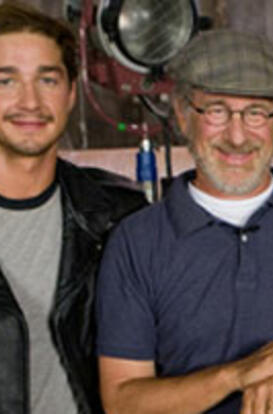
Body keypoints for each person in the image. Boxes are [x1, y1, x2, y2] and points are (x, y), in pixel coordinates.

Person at [95, 29, 273, 414]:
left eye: (256, 113)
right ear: (183, 115)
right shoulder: (137, 241)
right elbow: (122, 402)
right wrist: (237, 374)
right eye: (216, 111)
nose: (237, 137)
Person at [0, 2, 146, 414]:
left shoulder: (119, 215)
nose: (30, 101)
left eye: (47, 80)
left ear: (69, 95)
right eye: (6, 81)